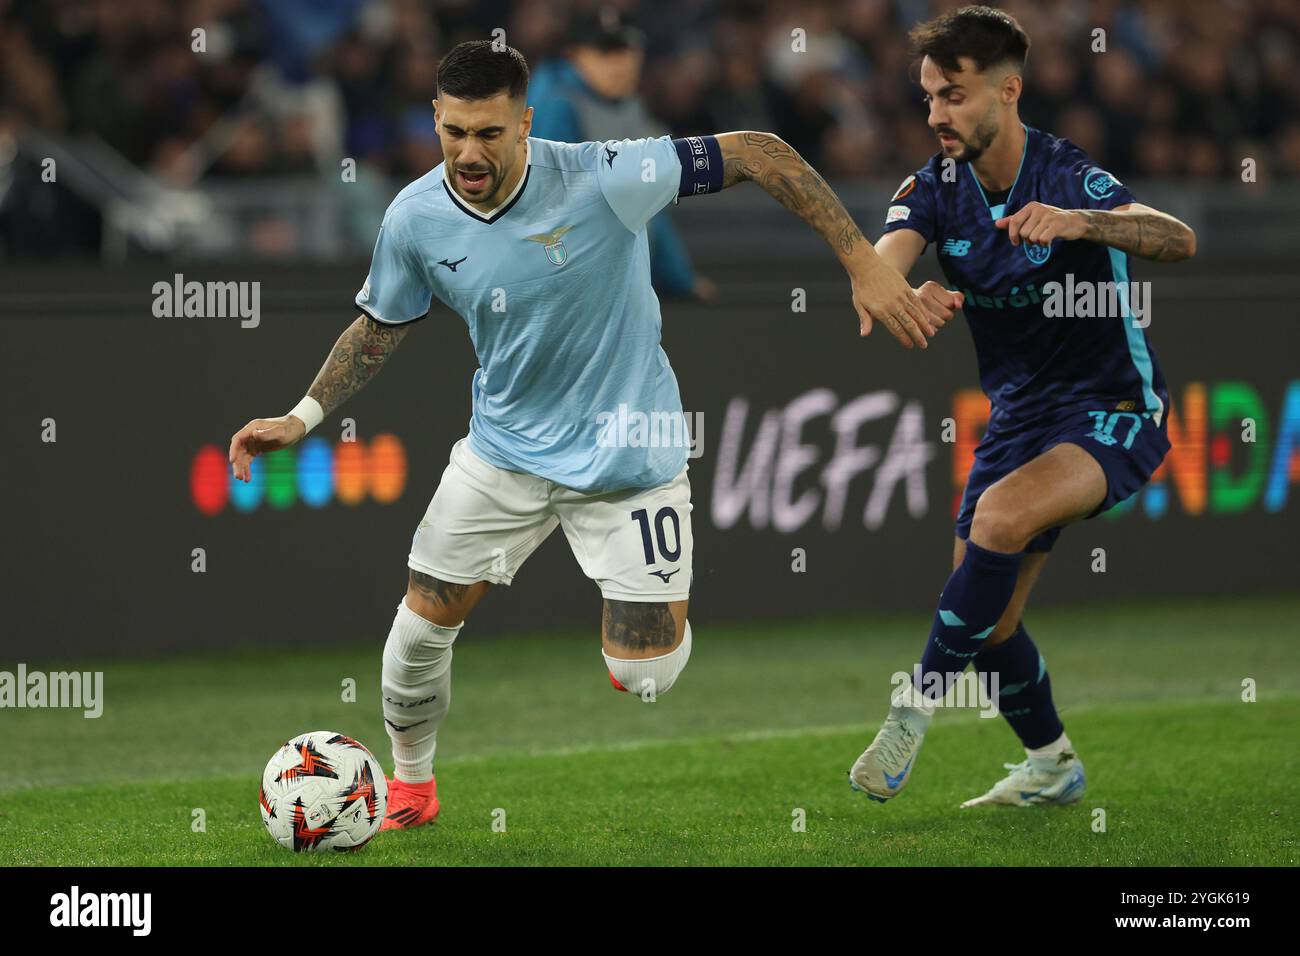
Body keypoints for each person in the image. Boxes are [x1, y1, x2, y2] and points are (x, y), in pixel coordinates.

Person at [229, 40, 932, 832]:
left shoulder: (607, 175)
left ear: (525, 123)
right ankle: (411, 788)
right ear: (434, 119)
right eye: (454, 132)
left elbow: (761, 152)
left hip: (627, 461)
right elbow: (379, 326)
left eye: (489, 134)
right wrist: (301, 416)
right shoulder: (415, 217)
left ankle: (657, 608)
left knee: (645, 677)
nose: (469, 152)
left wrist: (863, 263)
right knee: (418, 630)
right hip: (502, 455)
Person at [848, 5, 1196, 808]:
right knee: (989, 619)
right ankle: (1052, 765)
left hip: (1113, 405)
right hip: (1019, 419)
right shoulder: (934, 188)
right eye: (929, 97)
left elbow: (1177, 238)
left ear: (1008, 91)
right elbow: (880, 263)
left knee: (999, 520)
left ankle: (913, 709)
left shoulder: (1065, 173)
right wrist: (894, 291)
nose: (936, 115)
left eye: (954, 95)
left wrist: (1083, 223)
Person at [528, 5, 712, 300]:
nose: (617, 63)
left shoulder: (629, 105)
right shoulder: (557, 105)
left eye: (624, 50)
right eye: (603, 52)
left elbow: (651, 201)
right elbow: (552, 208)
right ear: (575, 56)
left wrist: (680, 279)